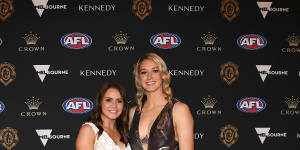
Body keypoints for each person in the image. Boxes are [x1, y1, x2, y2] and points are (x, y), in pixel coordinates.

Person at [129, 53, 194, 150]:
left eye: (155, 71)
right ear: (139, 78)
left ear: (163, 74)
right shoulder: (133, 113)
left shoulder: (179, 110)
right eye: (144, 72)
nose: (149, 77)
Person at [76, 82, 131, 150]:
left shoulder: (124, 131)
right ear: (100, 102)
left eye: (119, 101)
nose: (114, 105)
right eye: (108, 100)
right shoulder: (88, 130)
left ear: (124, 105)